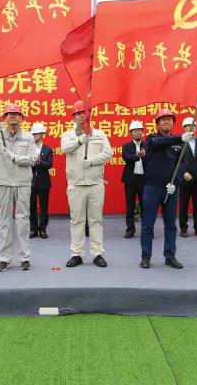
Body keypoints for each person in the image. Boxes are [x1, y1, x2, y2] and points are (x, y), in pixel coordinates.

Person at [0, 104, 39, 272]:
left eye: (16, 114)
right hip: (3, 182)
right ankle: (5, 258)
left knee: (23, 220)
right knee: (4, 221)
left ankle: (24, 257)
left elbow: (31, 159)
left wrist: (13, 157)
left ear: (21, 118)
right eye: (9, 114)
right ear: (5, 118)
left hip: (22, 182)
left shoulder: (29, 137)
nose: (13, 117)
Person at [60, 101, 113, 268]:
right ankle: (76, 254)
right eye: (78, 113)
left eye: (85, 113)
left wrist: (91, 162)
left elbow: (108, 153)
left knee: (96, 220)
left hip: (96, 184)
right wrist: (80, 140)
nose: (82, 115)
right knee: (77, 221)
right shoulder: (68, 135)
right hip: (76, 185)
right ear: (74, 117)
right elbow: (65, 149)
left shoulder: (99, 134)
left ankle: (97, 253)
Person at [140, 108, 189, 269]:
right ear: (158, 123)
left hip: (171, 189)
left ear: (173, 123)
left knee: (171, 225)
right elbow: (158, 144)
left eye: (169, 119)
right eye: (163, 119)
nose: (166, 121)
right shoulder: (151, 138)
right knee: (148, 224)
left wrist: (175, 183)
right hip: (152, 188)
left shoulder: (181, 142)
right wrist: (180, 138)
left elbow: (182, 164)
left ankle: (170, 256)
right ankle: (146, 256)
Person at [120, 120, 146, 238]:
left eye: (139, 131)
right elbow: (127, 158)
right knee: (130, 205)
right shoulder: (126, 146)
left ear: (142, 133)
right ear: (131, 133)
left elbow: (151, 159)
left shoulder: (147, 145)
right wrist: (137, 156)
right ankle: (130, 229)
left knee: (145, 205)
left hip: (144, 179)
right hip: (130, 179)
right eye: (135, 131)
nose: (137, 132)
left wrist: (145, 156)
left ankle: (146, 229)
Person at [29, 123, 53, 239]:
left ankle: (42, 229)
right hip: (30, 182)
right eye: (33, 134)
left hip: (44, 182)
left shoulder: (48, 149)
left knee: (44, 207)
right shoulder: (29, 148)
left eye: (36, 133)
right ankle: (33, 229)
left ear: (42, 134)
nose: (34, 136)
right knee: (31, 207)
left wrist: (39, 161)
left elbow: (49, 164)